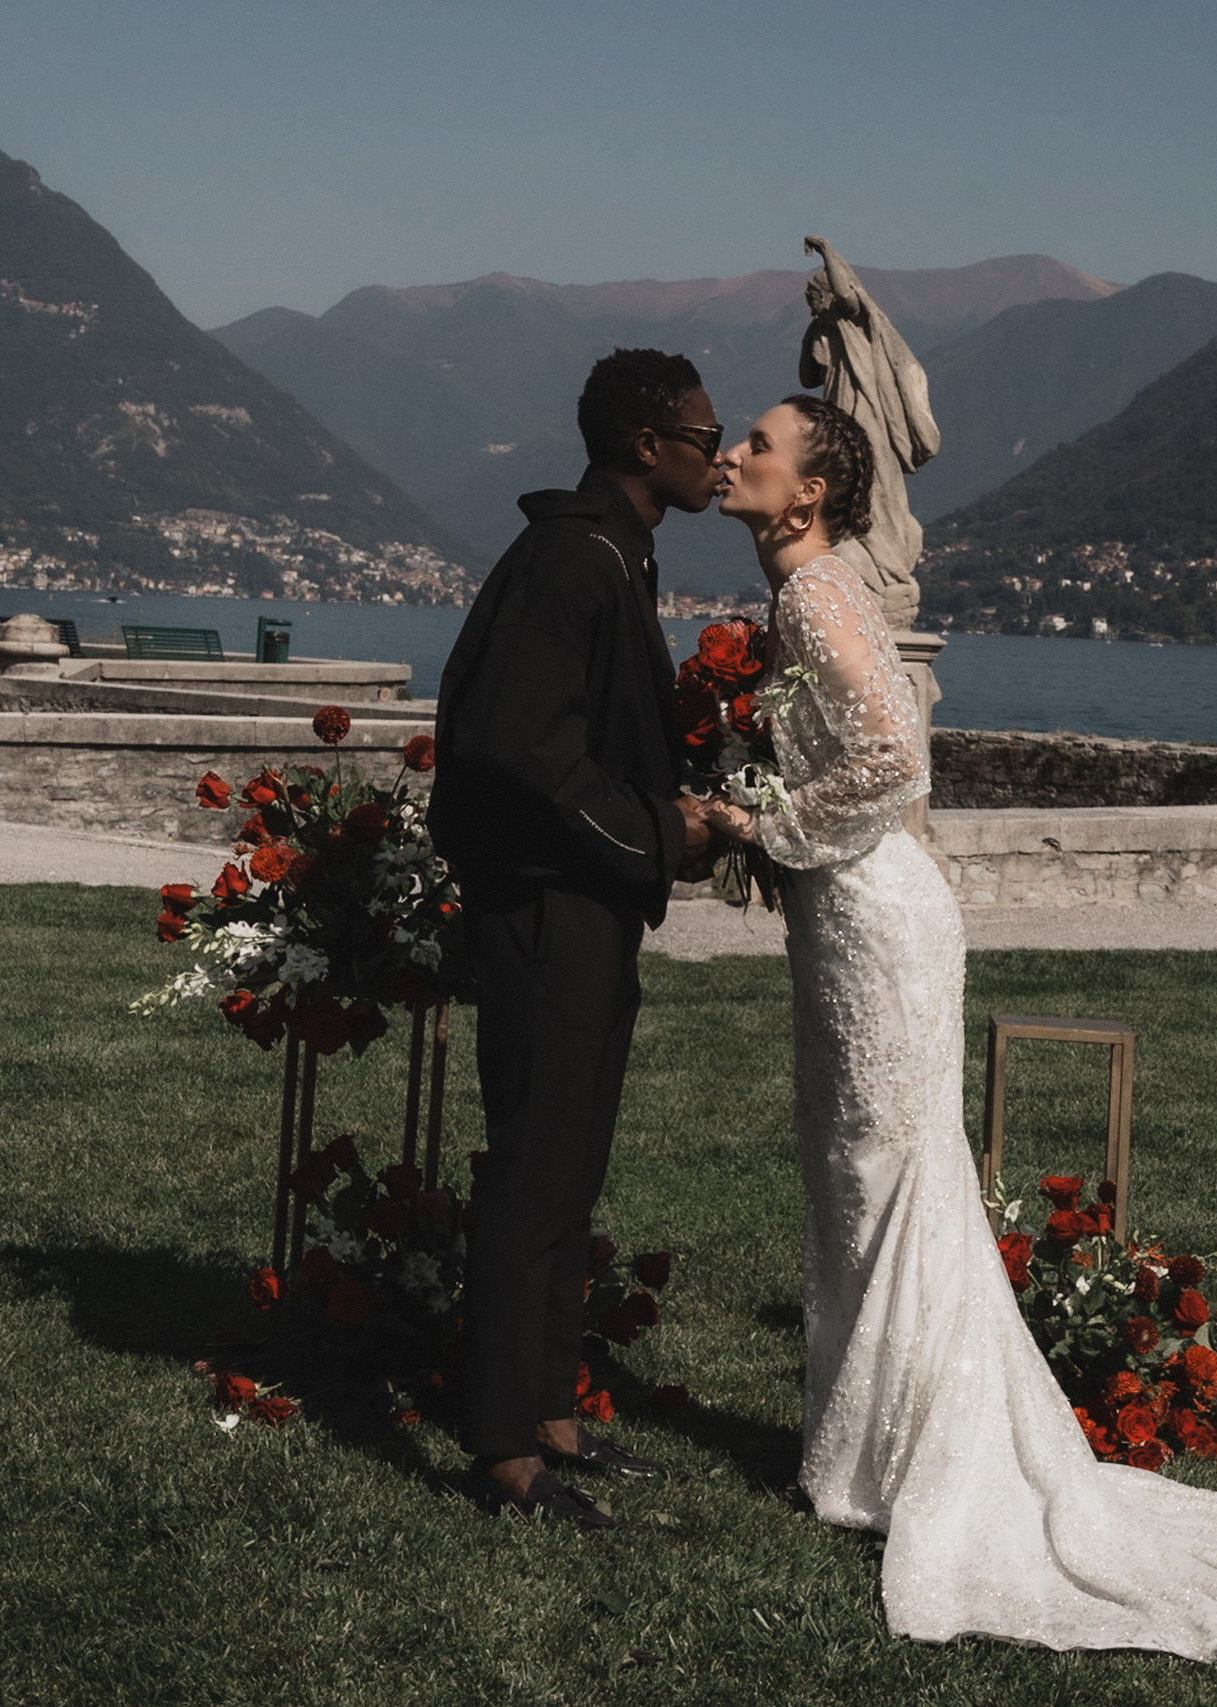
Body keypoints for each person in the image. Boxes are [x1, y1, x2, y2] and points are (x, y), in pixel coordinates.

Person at [701, 395, 1217, 1654]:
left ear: (807, 494)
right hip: (866, 909)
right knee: (867, 1177)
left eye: (759, 445)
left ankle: (895, 1465)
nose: (734, 456)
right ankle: (868, 1451)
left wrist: (764, 825)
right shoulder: (815, 584)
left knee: (881, 1175)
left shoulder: (812, 595)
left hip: (870, 915)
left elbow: (887, 759)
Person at [429, 348, 721, 1528]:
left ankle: (548, 1413)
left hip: (581, 904)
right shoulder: (571, 559)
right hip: (545, 906)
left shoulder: (608, 552)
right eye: (706, 436)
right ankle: (501, 1447)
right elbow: (520, 747)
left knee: (570, 1165)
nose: (718, 451)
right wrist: (664, 829)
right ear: (646, 446)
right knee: (531, 1166)